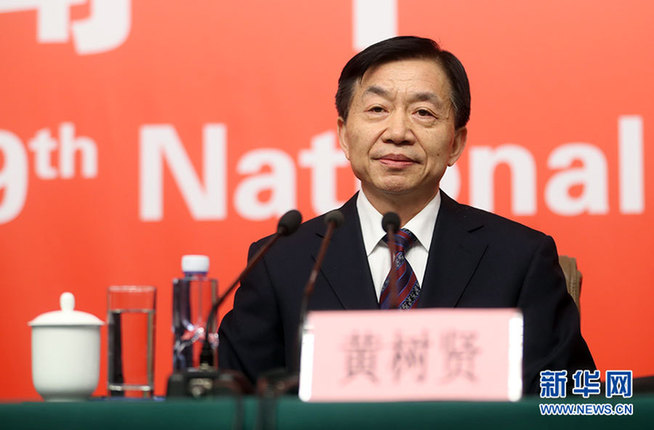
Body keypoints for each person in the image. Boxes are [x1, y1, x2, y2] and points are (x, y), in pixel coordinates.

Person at [218, 35, 595, 394]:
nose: (398, 132)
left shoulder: (520, 259)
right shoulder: (280, 262)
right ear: (344, 135)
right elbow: (234, 404)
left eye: (423, 112)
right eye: (377, 110)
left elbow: (567, 403)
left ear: (456, 143)